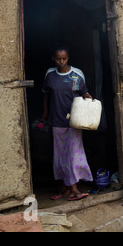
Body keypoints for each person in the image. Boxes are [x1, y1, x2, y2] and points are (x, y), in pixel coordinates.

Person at [40, 46, 93, 201]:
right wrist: (45, 113)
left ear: (68, 57)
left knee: (73, 154)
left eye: (64, 58)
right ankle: (64, 187)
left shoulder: (77, 75)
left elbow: (84, 93)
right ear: (53, 58)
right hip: (56, 120)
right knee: (60, 154)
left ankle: (74, 189)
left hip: (74, 121)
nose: (61, 61)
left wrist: (89, 99)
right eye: (58, 58)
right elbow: (45, 94)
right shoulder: (50, 75)